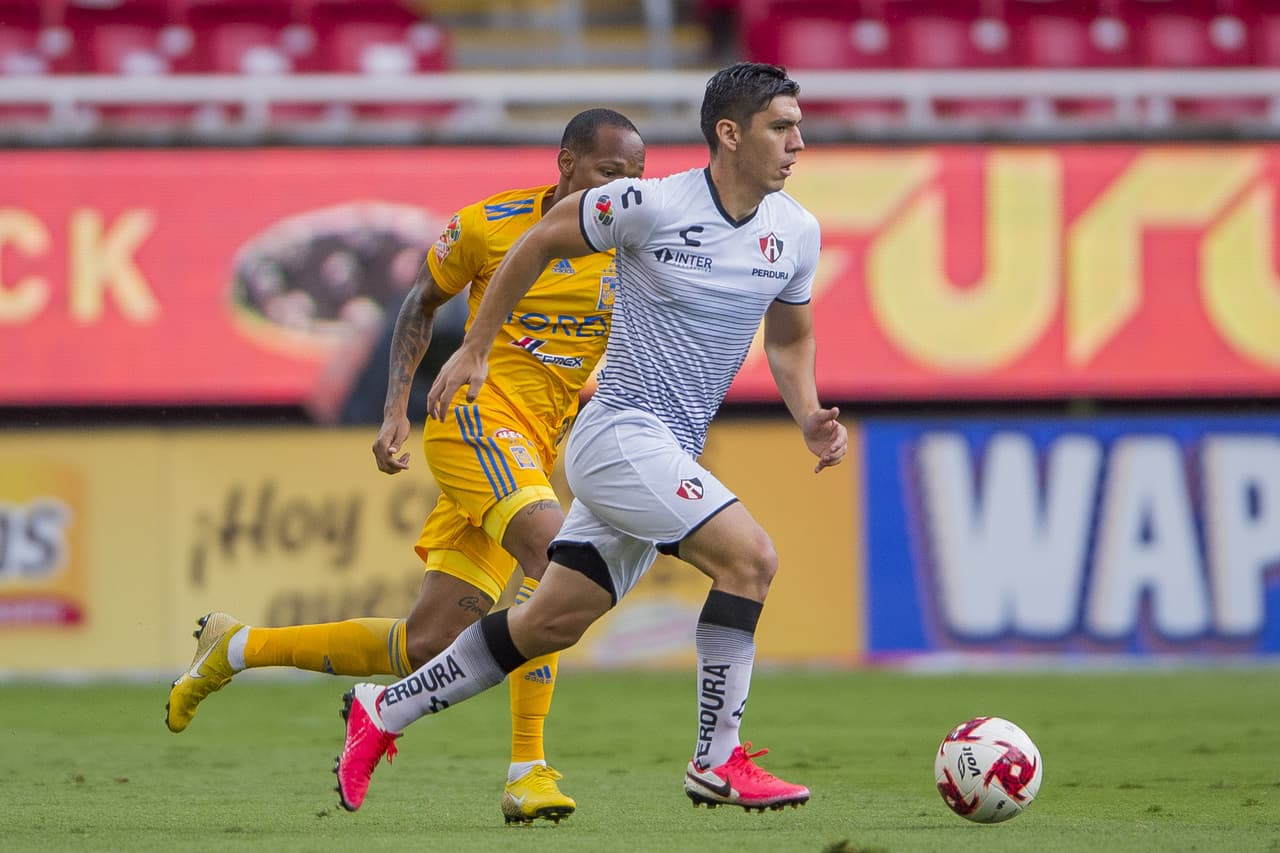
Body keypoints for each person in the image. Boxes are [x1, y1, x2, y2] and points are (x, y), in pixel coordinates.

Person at [332, 62, 847, 815]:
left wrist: (807, 414)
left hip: (668, 448)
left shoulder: (796, 231)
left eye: (799, 127)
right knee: (750, 559)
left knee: (548, 622)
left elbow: (790, 337)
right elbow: (538, 239)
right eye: (782, 127)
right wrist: (474, 346)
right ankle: (717, 759)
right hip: (619, 435)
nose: (798, 142)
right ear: (730, 134)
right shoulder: (649, 203)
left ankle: (384, 709)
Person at [164, 108, 647, 825]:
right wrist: (395, 409)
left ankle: (234, 647)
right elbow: (419, 305)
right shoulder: (489, 225)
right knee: (558, 561)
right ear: (566, 163)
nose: (622, 190)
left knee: (426, 642)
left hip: (533, 447)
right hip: (474, 423)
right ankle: (528, 769)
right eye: (610, 172)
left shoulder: (632, 244)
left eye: (635, 177)